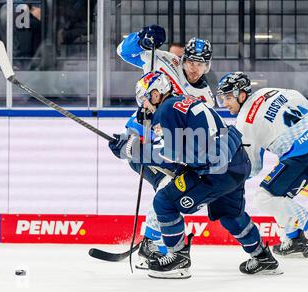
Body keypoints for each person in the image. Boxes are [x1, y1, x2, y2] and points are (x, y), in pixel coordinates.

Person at [116, 71, 282, 279]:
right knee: (230, 215)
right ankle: (262, 257)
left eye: (144, 100)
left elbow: (174, 155)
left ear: (156, 94)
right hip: (238, 161)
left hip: (215, 172)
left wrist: (133, 151)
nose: (144, 106)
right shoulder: (186, 100)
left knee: (164, 201)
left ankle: (178, 259)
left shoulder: (166, 110)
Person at [112, 25, 216, 269]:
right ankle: (152, 242)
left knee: (168, 190)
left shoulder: (207, 98)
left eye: (201, 64)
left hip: (165, 149)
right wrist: (140, 38)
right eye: (191, 61)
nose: (194, 68)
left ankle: (152, 241)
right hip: (140, 135)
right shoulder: (165, 61)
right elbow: (123, 53)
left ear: (207, 66)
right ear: (183, 58)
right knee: (167, 190)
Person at [216, 72, 308, 263]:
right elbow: (303, 103)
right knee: (279, 195)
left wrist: (229, 178)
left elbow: (253, 167)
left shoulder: (244, 122)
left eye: (227, 97)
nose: (224, 103)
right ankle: (293, 239)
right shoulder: (269, 91)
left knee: (263, 197)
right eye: (221, 98)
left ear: (241, 95)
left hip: (302, 156)